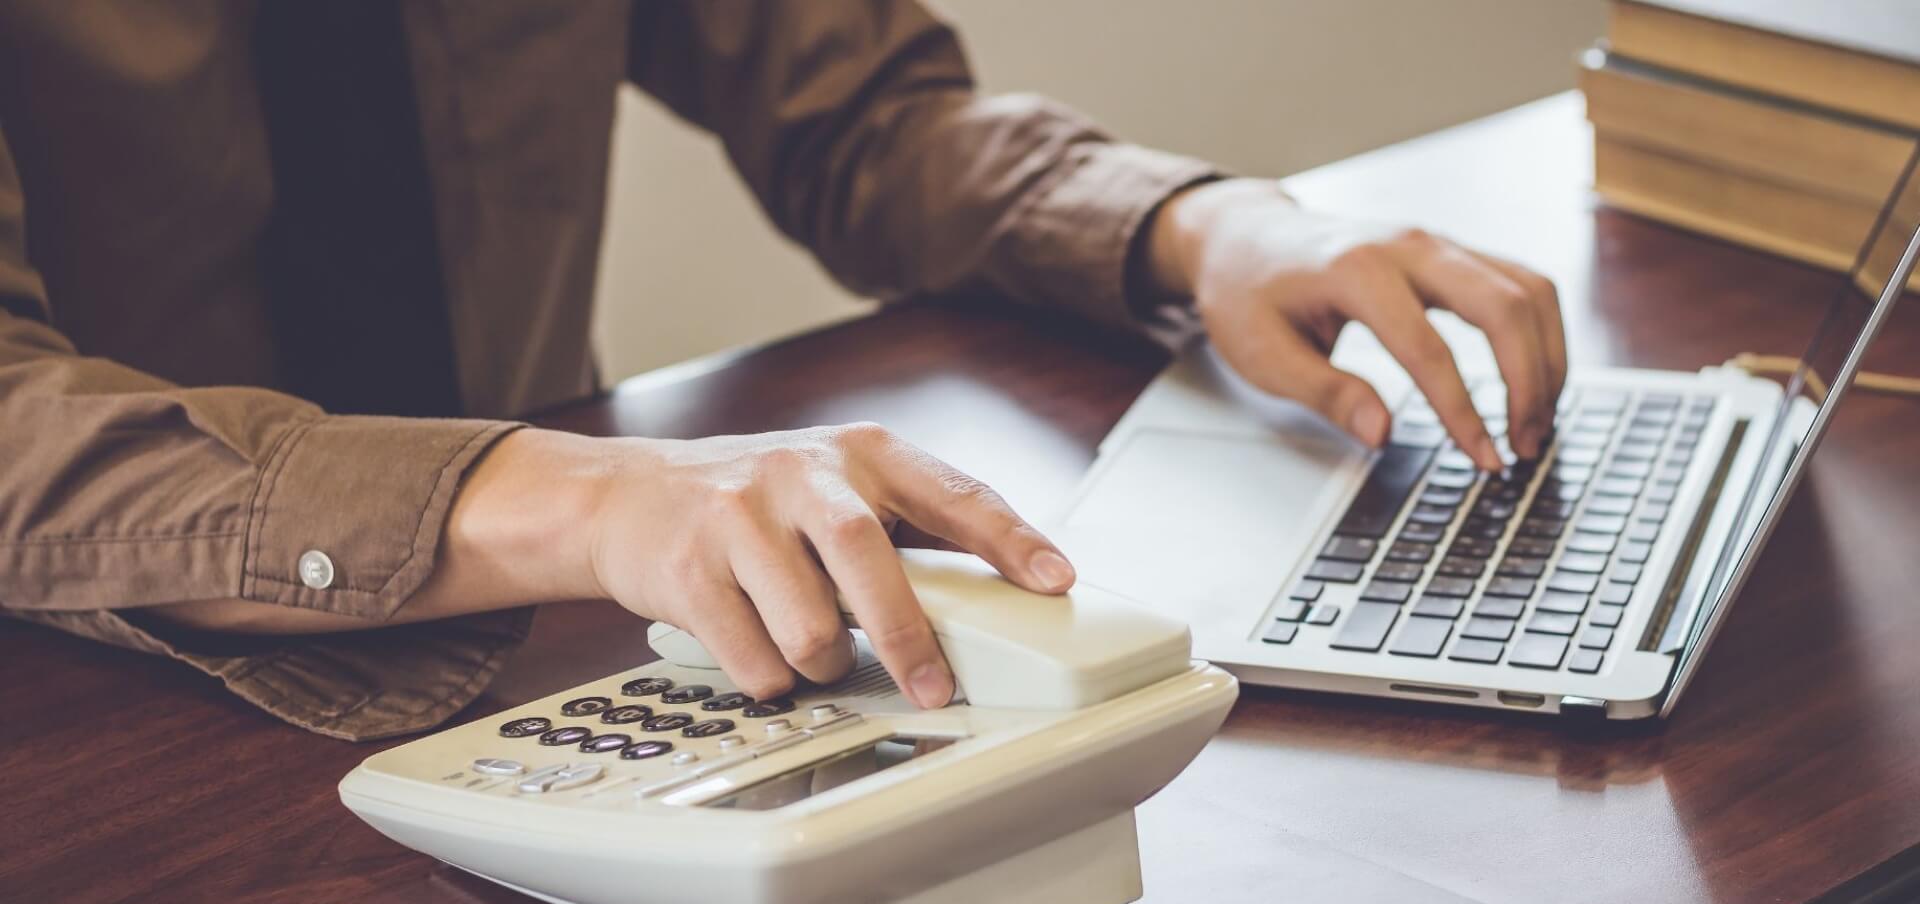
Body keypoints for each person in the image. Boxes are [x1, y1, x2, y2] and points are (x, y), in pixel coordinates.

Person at [0, 2, 1565, 739]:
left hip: (564, 652)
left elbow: (863, 116)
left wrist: (1194, 225)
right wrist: (569, 491)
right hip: (106, 709)